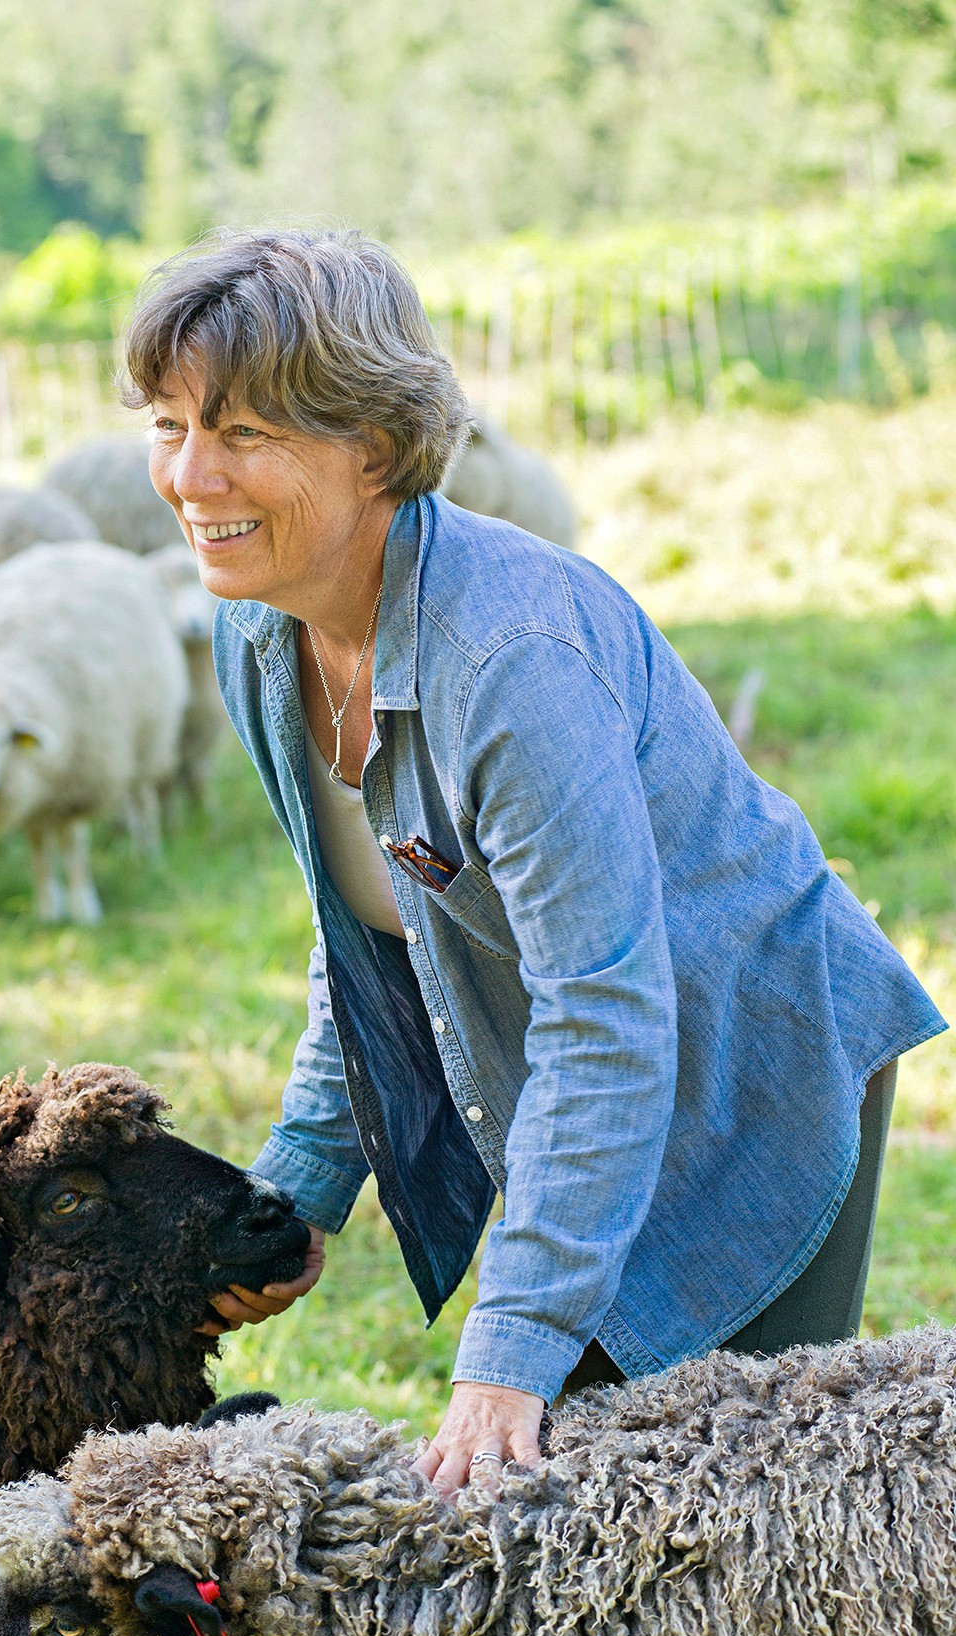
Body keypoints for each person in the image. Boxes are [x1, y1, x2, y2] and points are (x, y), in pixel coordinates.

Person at [122, 228, 946, 1494]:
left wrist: (506, 1348)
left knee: (725, 1514)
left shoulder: (510, 663)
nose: (189, 474)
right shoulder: (257, 632)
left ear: (375, 447)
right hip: (586, 1073)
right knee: (564, 1502)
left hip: (745, 1062)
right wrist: (294, 1188)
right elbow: (370, 927)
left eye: (243, 433)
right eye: (169, 423)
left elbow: (605, 1014)